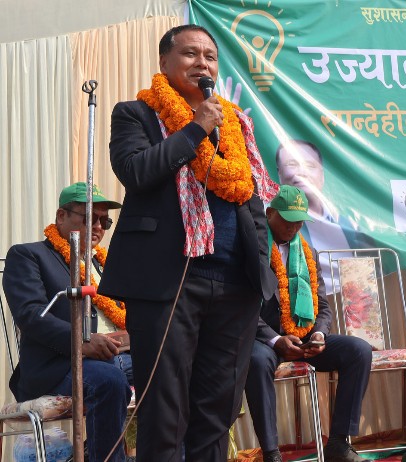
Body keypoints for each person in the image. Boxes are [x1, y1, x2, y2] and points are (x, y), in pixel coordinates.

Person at [98, 25, 277, 461]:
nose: (203, 63)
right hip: (168, 283)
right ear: (164, 62)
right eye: (191, 54)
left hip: (235, 284)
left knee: (218, 410)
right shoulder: (136, 114)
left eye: (210, 56)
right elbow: (137, 172)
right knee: (165, 410)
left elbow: (251, 196)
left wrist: (260, 264)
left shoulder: (234, 123)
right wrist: (196, 129)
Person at [3, 182, 132, 462]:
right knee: (110, 380)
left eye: (104, 221)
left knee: (176, 370)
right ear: (61, 216)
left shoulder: (106, 265)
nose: (98, 227)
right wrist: (82, 342)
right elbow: (30, 315)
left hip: (121, 357)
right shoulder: (29, 255)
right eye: (89, 217)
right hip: (60, 366)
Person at [245, 185, 372, 462]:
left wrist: (319, 335)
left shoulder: (308, 253)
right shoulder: (251, 247)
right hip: (265, 339)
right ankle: (271, 453)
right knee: (256, 361)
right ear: (270, 213)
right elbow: (241, 306)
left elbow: (322, 306)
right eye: (288, 220)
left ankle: (338, 442)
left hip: (304, 337)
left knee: (358, 350)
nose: (293, 227)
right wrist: (275, 339)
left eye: (299, 221)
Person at [276, 140, 374, 292]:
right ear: (279, 173)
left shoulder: (352, 223)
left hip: (353, 302)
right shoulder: (272, 221)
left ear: (322, 174)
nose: (302, 172)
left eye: (310, 166)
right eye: (292, 164)